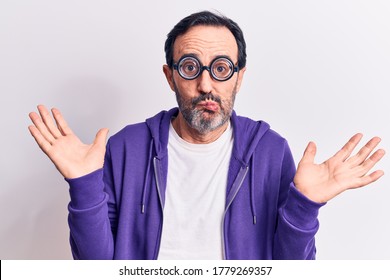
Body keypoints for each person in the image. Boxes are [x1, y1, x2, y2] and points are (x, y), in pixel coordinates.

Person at [28, 11, 385, 260]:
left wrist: (305, 204)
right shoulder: (126, 148)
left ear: (239, 77)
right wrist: (84, 184)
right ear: (170, 77)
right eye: (189, 67)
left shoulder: (270, 151)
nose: (206, 85)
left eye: (221, 68)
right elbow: (95, 267)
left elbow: (289, 270)